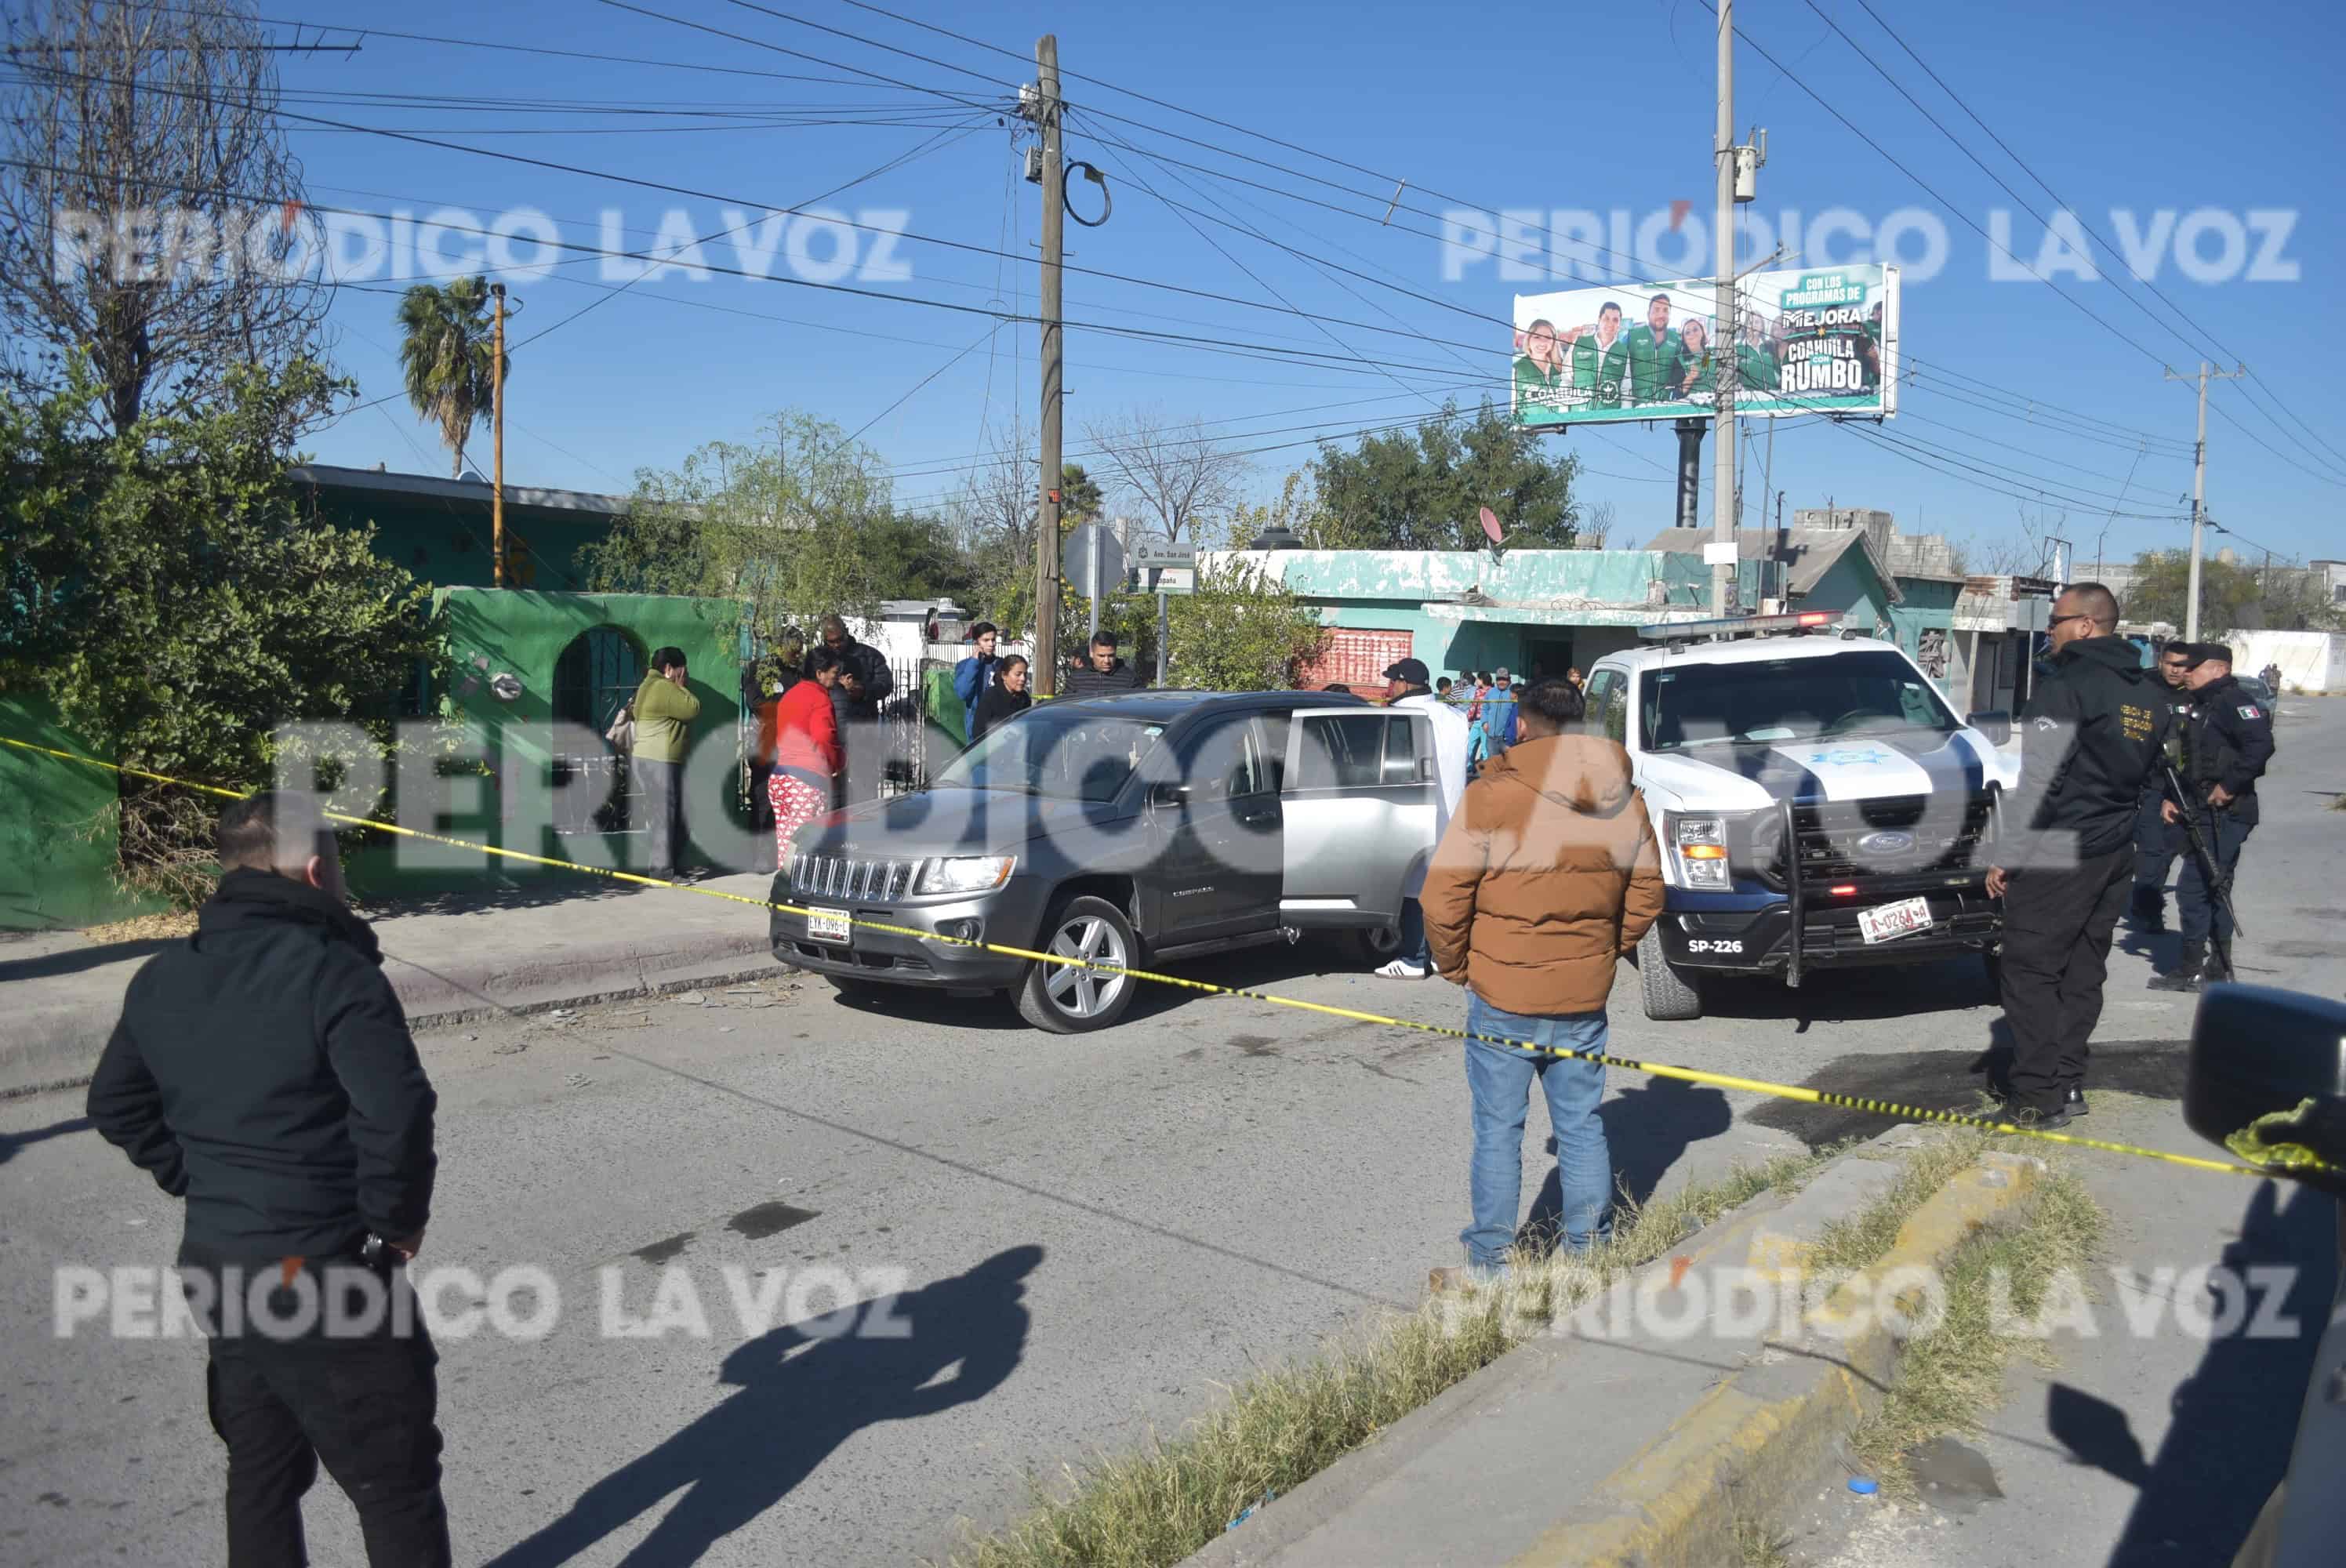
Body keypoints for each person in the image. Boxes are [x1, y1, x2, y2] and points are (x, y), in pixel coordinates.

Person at [87, 791, 449, 1566]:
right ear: (318, 871)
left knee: (259, 1472)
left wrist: (194, 1178)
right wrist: (397, 1223)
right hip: (317, 1268)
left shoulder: (159, 976)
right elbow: (397, 1109)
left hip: (221, 1261)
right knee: (393, 1483)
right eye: (341, 868)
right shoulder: (335, 972)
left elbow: (115, 1103)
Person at [1422, 678, 1664, 1284]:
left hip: (1502, 993)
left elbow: (1443, 896)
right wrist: (1605, 950)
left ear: (1523, 726)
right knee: (1582, 1124)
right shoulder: (1620, 798)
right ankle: (1589, 1254)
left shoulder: (1493, 796)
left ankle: (1490, 1266)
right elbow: (1647, 892)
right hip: (1582, 994)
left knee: (1499, 1131)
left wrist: (1456, 966)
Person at [1984, 583, 2172, 1127]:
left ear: (2087, 625)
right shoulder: (2147, 693)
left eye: (2057, 621)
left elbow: (2041, 778)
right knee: (2083, 970)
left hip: (2061, 847)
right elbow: (2153, 777)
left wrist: (2009, 853)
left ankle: (2036, 1097)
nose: (2050, 630)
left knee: (2030, 970)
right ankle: (2067, 1084)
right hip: (2114, 849)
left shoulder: (2066, 685)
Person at [2149, 642, 2276, 991]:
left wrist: (2230, 785)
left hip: (2227, 812)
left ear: (2219, 669)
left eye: (2194, 667)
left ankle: (2199, 967)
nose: (2185, 673)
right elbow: (2186, 759)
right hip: (2197, 809)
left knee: (2197, 887)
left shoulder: (2233, 703)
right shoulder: (2200, 705)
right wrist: (2169, 797)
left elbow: (2260, 745)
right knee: (2211, 886)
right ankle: (2214, 968)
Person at [1373, 658, 1473, 980]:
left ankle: (1414, 958)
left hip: (1416, 814)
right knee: (1441, 891)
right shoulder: (1455, 716)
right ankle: (1438, 957)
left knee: (1413, 889)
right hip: (1455, 815)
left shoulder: (1401, 716)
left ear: (1403, 684)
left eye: (1393, 681)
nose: (1390, 687)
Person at [2125, 641, 2196, 933]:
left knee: (2166, 850)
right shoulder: (2143, 686)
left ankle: (2148, 903)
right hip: (2146, 781)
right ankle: (2147, 906)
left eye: (2181, 665)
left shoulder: (2196, 694)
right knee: (2151, 850)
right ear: (2161, 661)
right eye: (2170, 663)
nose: (2175, 670)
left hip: (2182, 784)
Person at [630, 645, 701, 880]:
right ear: (670, 668)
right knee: (664, 816)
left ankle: (671, 865)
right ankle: (662, 871)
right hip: (659, 760)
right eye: (682, 670)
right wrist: (681, 688)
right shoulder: (663, 687)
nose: (685, 675)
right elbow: (692, 709)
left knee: (675, 815)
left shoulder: (648, 685)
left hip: (653, 759)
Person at [769, 647, 844, 861]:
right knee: (808, 849)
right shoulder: (820, 699)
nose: (836, 677)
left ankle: (785, 888)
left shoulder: (789, 696)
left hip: (781, 779)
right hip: (806, 782)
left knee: (787, 846)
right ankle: (802, 892)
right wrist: (838, 763)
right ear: (820, 673)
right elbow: (825, 739)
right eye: (834, 672)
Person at [1561, 303, 1629, 410]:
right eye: (1606, 319)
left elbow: (1626, 389)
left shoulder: (1623, 352)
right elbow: (1566, 381)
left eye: (1615, 320)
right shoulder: (1579, 343)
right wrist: (1564, 414)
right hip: (1579, 414)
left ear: (1619, 325)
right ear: (1599, 320)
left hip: (1608, 417)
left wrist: (1624, 416)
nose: (1610, 324)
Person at [1623, 292, 1682, 405]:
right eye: (1656, 310)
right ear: (1648, 314)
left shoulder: (1676, 339)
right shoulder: (1632, 336)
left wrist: (1706, 352)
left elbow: (1697, 363)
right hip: (1637, 407)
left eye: (1665, 311)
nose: (1661, 314)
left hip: (1666, 407)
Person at [1062, 630, 1149, 698]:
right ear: (1092, 654)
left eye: (1111, 655)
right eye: (1101, 656)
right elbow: (1064, 707)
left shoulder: (1130, 678)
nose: (1106, 661)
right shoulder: (1076, 678)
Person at [952, 622, 1001, 740]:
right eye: (986, 640)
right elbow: (963, 693)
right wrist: (974, 662)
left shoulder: (1002, 665)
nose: (991, 644)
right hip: (976, 729)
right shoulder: (965, 666)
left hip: (1000, 726)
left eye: (993, 640)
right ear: (976, 643)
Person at [971, 655, 1033, 742]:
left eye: (1025, 674)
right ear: (1004, 675)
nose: (1023, 678)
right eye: (1018, 674)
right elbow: (978, 733)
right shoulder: (991, 697)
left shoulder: (1024, 698)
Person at [1484, 669, 1520, 757]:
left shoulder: (1513, 693)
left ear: (1509, 679)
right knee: (1493, 765)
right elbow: (1485, 709)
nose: (1501, 682)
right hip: (1491, 737)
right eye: (1499, 679)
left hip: (1506, 739)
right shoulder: (1491, 692)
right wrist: (1484, 722)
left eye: (1504, 679)